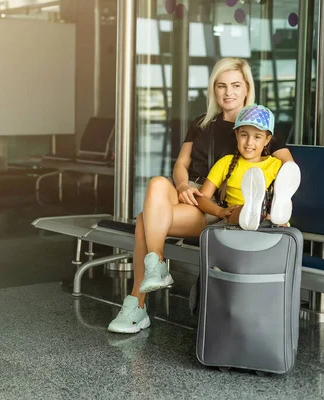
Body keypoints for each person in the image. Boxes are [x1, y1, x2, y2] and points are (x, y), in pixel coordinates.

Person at [107, 57, 294, 334]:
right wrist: (183, 187)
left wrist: (273, 207)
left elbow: (288, 169)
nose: (228, 92)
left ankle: (137, 303)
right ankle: (156, 266)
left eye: (235, 85)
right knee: (159, 182)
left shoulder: (257, 127)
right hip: (189, 194)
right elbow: (180, 165)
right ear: (213, 90)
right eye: (221, 86)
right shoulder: (201, 123)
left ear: (246, 89)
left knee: (145, 220)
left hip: (215, 205)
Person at [195, 104, 301, 231]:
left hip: (271, 224)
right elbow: (201, 198)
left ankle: (271, 212)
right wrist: (220, 211)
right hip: (234, 221)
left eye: (257, 137)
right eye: (244, 135)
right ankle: (255, 210)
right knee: (242, 210)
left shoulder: (277, 166)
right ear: (236, 135)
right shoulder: (225, 163)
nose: (249, 142)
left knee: (278, 203)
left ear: (267, 140)